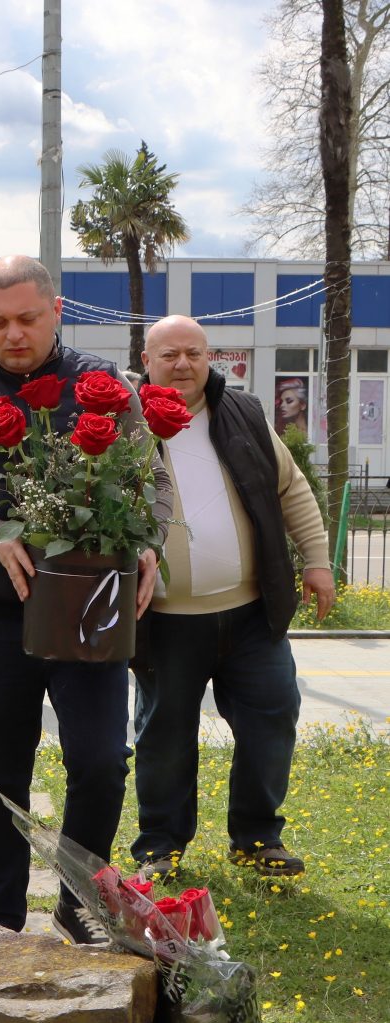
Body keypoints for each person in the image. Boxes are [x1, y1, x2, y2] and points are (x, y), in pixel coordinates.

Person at [0, 255, 173, 943]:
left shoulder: (103, 383)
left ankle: (80, 904)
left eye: (26, 319)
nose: (12, 334)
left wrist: (149, 542)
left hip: (91, 605)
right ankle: (2, 915)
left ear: (57, 311)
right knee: (2, 769)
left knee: (101, 763)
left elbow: (154, 482)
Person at [131, 315, 335, 879]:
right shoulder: (126, 424)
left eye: (194, 353)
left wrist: (317, 561)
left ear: (208, 357)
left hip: (251, 616)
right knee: (164, 737)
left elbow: (291, 488)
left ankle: (258, 837)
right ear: (146, 361)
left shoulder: (243, 413)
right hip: (166, 619)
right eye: (169, 354)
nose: (183, 364)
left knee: (274, 716)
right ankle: (160, 847)